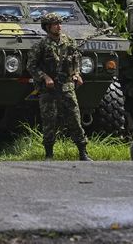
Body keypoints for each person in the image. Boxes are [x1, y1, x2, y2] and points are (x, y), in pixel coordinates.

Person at [26, 12, 92, 161]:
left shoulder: (69, 42)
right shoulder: (41, 46)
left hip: (67, 87)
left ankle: (83, 152)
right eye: (55, 24)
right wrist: (45, 77)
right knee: (49, 122)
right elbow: (31, 66)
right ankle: (49, 154)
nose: (59, 26)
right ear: (48, 27)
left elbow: (76, 60)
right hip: (49, 90)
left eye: (59, 23)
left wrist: (77, 74)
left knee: (75, 119)